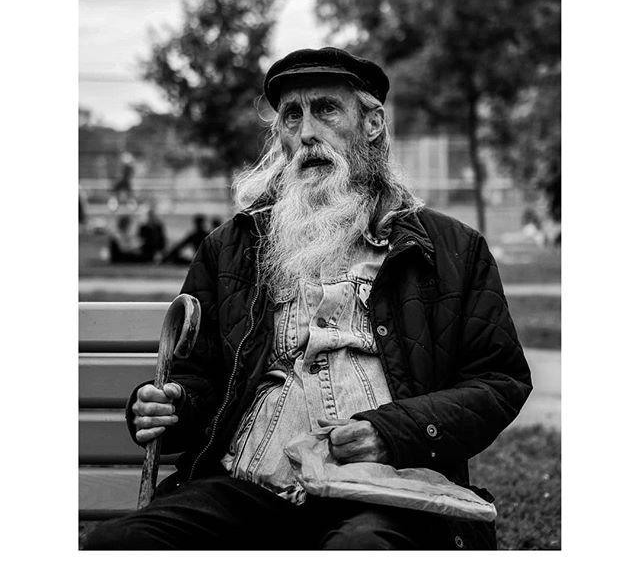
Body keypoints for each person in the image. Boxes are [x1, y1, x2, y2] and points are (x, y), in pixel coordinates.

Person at [85, 47, 532, 551]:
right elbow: (200, 376)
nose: (306, 132)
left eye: (325, 109)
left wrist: (393, 431)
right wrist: (175, 405)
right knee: (119, 545)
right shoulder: (232, 247)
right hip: (246, 487)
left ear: (372, 124)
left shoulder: (452, 249)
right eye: (291, 115)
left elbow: (499, 380)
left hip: (385, 492)